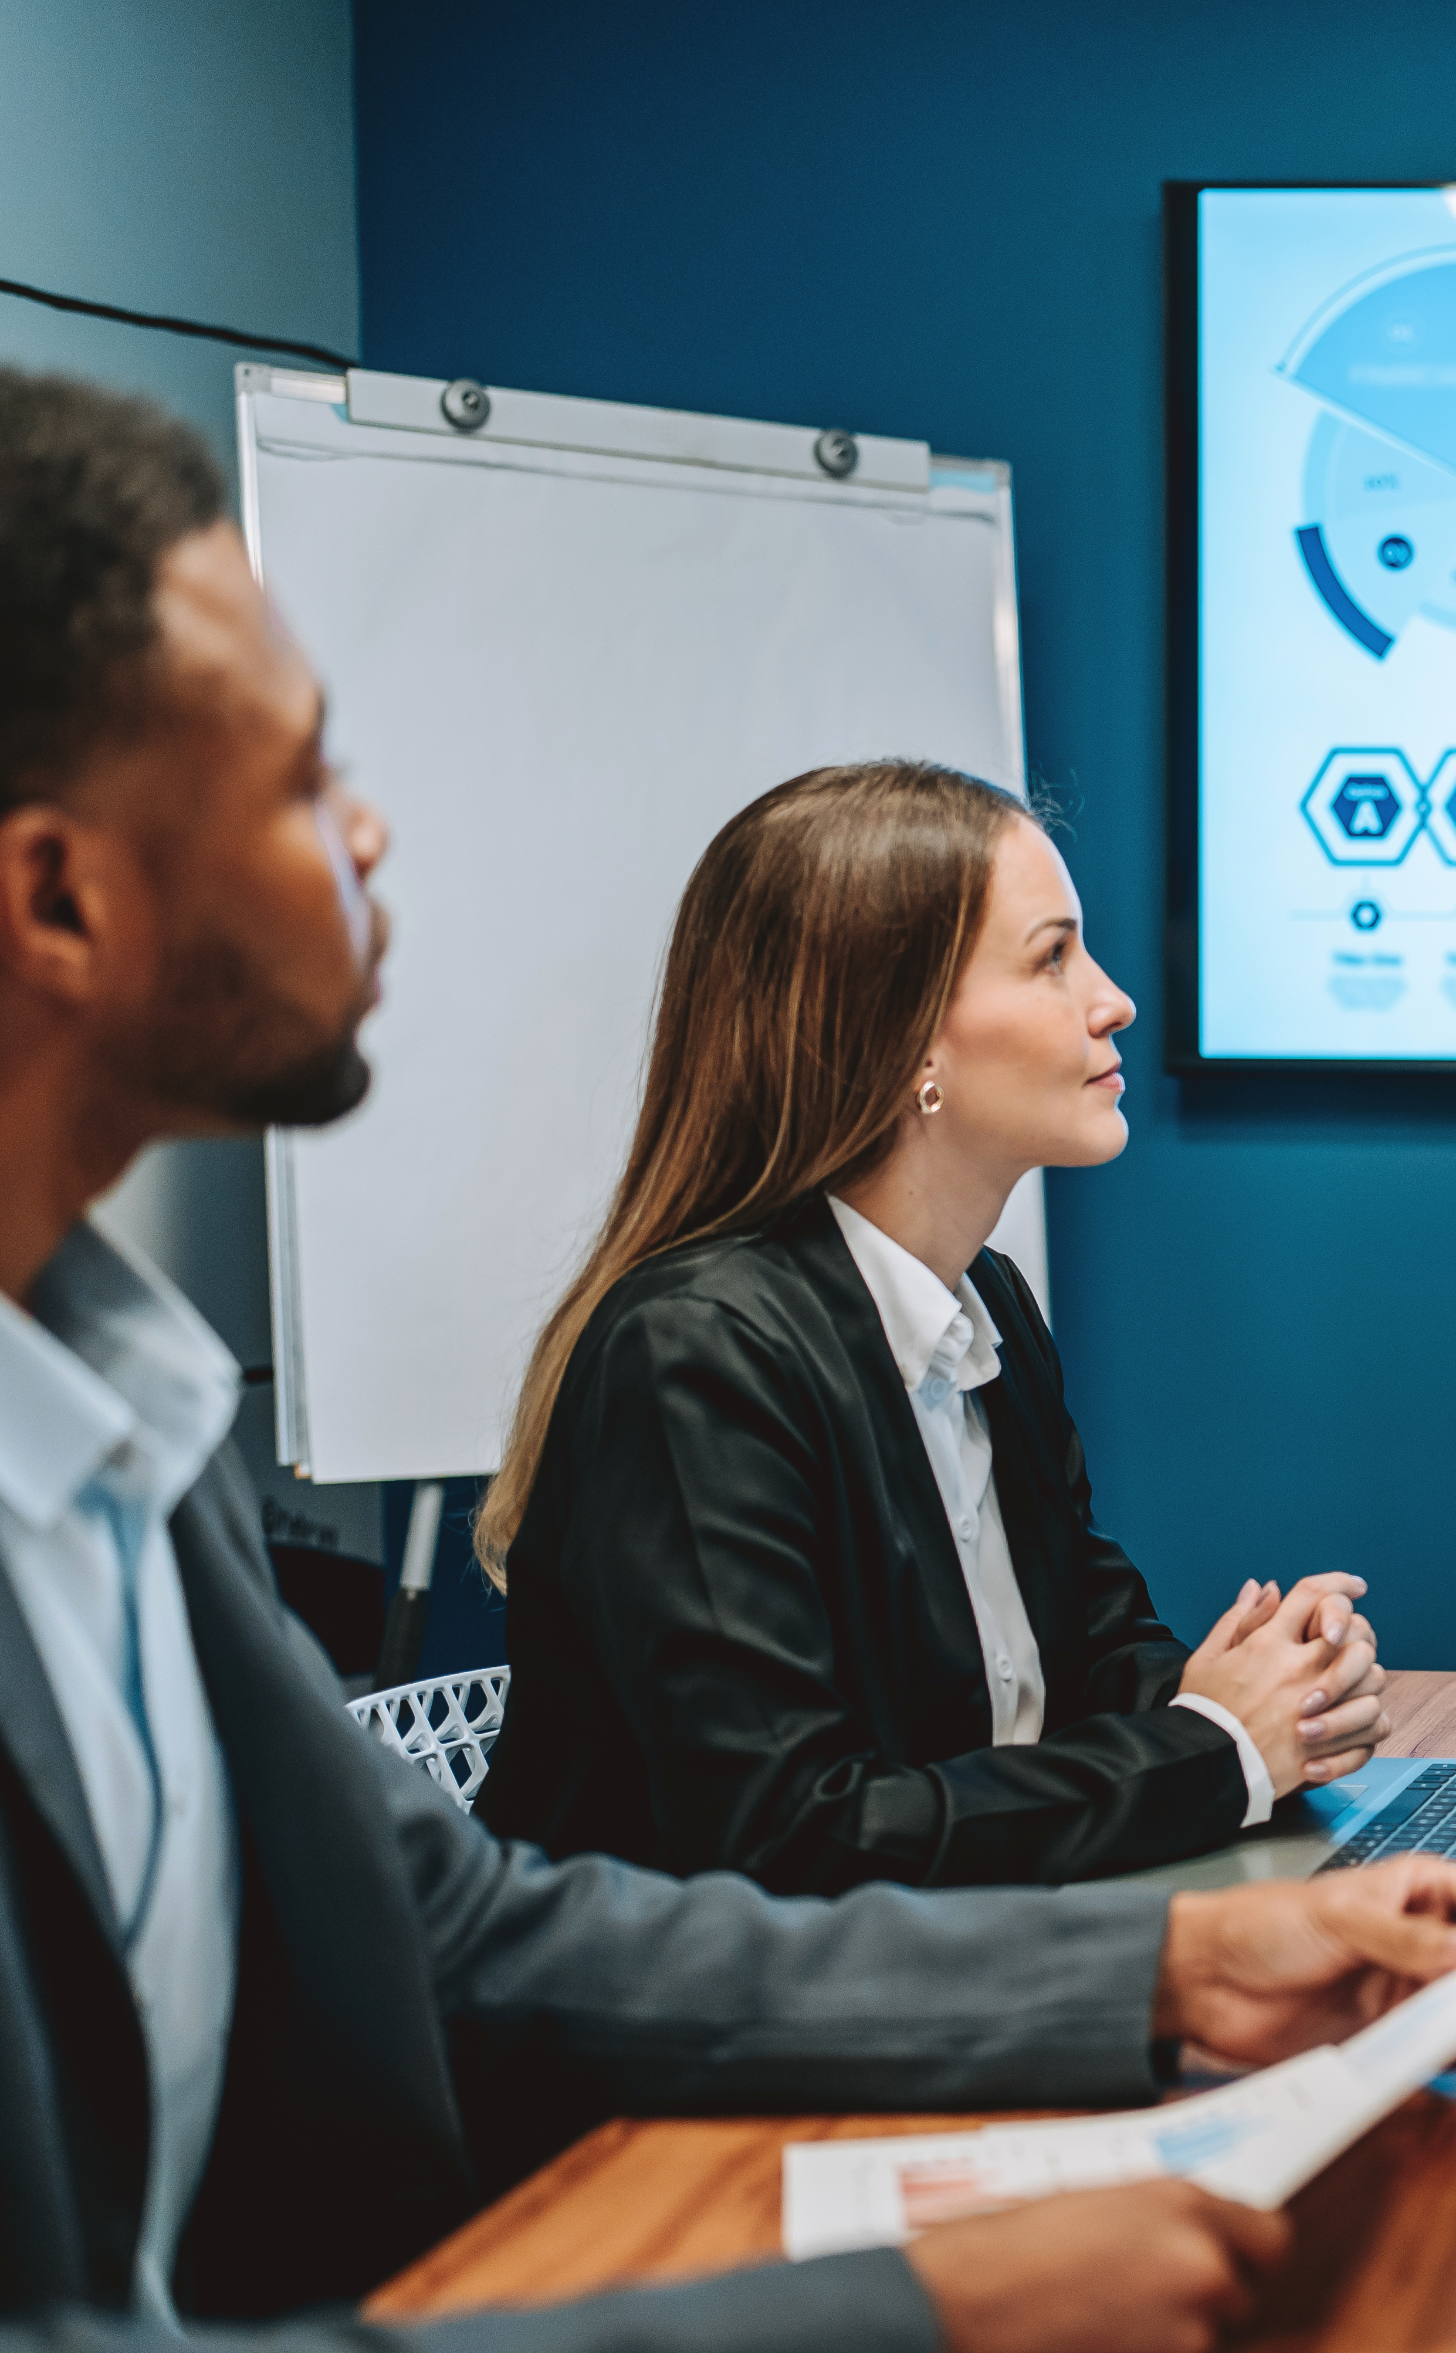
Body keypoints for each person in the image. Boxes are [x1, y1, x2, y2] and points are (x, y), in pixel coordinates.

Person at [0, 361, 1456, 2353]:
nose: (366, 840)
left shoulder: (109, 1420)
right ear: (55, 899)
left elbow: (475, 1935)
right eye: (293, 778)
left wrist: (1162, 1964)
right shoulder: (664, 1350)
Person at [474, 761, 1385, 1892]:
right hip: (702, 2047)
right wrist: (1219, 1748)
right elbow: (793, 1836)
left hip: (950, 1976)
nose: (1112, 1000)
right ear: (908, 1041)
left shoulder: (983, 1299)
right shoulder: (693, 1356)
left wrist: (1263, 1695)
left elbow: (1089, 1654)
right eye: (1052, 957)